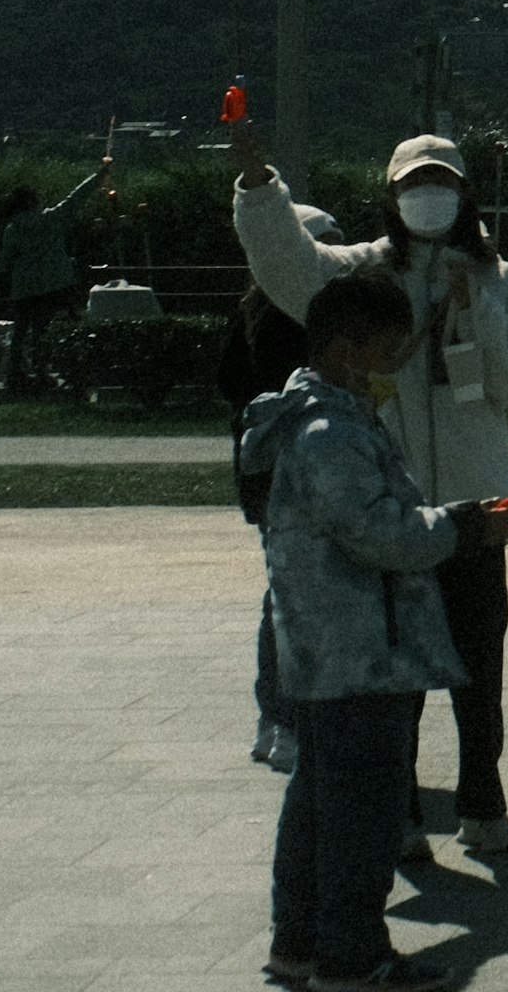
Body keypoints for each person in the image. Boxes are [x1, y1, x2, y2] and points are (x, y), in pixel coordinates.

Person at [235, 126, 508, 865]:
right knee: (396, 683)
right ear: (391, 197)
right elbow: (290, 267)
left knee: (480, 674)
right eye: (414, 184)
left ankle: (484, 808)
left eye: (441, 182)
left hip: (476, 517)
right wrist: (260, 189)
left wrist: (475, 305)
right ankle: (403, 815)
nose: (428, 196)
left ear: (465, 194)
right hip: (389, 520)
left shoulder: (503, 281)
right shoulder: (361, 273)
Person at [245, 268, 508, 992]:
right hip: (356, 654)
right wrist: (466, 527)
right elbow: (382, 534)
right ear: (347, 350)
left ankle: (299, 943)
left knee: (318, 801)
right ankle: (351, 954)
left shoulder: (330, 419)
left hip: (335, 652)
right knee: (361, 816)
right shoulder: (327, 432)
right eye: (391, 351)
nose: (398, 366)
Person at [225, 201, 343, 772]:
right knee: (299, 602)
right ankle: (292, 719)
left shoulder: (247, 314)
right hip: (299, 476)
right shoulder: (305, 323)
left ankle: (273, 719)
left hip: (259, 476)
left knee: (281, 594)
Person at [0, 159, 109, 393]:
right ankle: (41, 372)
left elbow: (6, 262)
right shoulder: (51, 219)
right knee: (41, 330)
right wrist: (98, 176)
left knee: (20, 330)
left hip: (23, 287)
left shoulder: (12, 229)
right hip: (50, 285)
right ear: (31, 201)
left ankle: (14, 373)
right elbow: (76, 197)